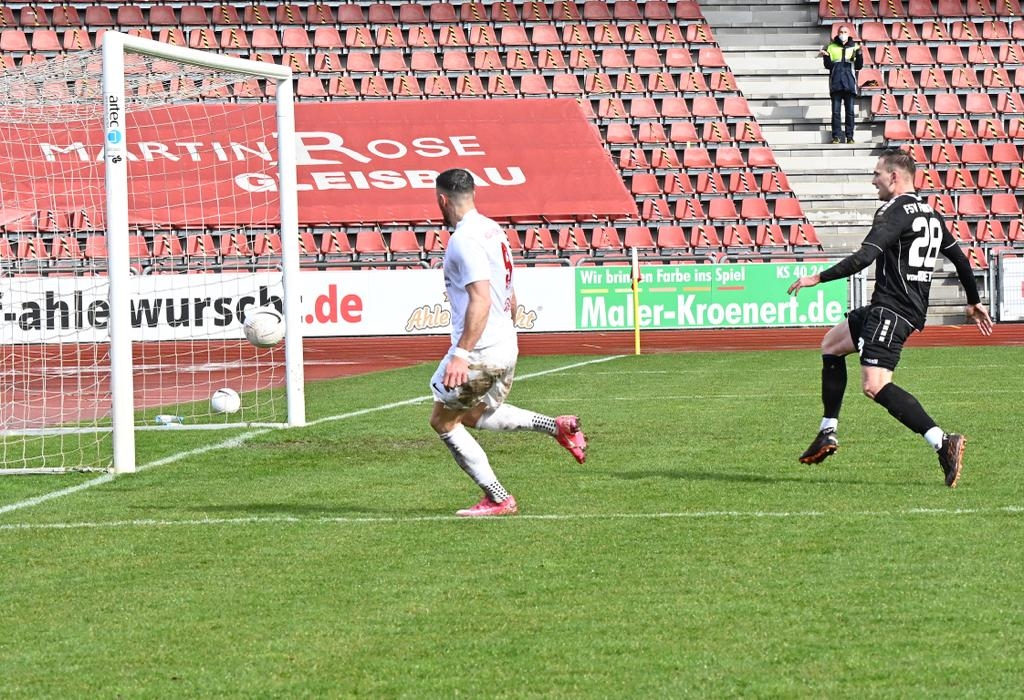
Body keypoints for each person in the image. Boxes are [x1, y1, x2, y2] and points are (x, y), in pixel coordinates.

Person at [787, 149, 994, 487]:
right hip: (897, 307)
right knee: (832, 344)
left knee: (875, 385)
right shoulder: (930, 213)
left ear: (894, 177)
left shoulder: (893, 211)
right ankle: (827, 430)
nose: (873, 181)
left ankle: (942, 441)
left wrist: (817, 278)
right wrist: (973, 301)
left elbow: (864, 257)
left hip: (893, 309)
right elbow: (960, 259)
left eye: (877, 174)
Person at [428, 168, 587, 517]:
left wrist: (461, 354)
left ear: (442, 200)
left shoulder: (463, 240)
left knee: (443, 421)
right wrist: (506, 334)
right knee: (474, 414)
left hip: (481, 352)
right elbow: (509, 292)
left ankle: (498, 497)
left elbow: (481, 299)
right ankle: (557, 427)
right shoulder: (493, 230)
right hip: (505, 345)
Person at [820, 25, 864, 144]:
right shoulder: (831, 47)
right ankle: (836, 137)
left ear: (849, 34)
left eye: (845, 32)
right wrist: (826, 57)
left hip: (850, 84)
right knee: (836, 113)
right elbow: (828, 66)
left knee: (850, 113)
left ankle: (850, 137)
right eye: (840, 32)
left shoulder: (855, 47)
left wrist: (859, 54)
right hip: (836, 84)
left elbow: (859, 66)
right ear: (837, 33)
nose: (842, 34)